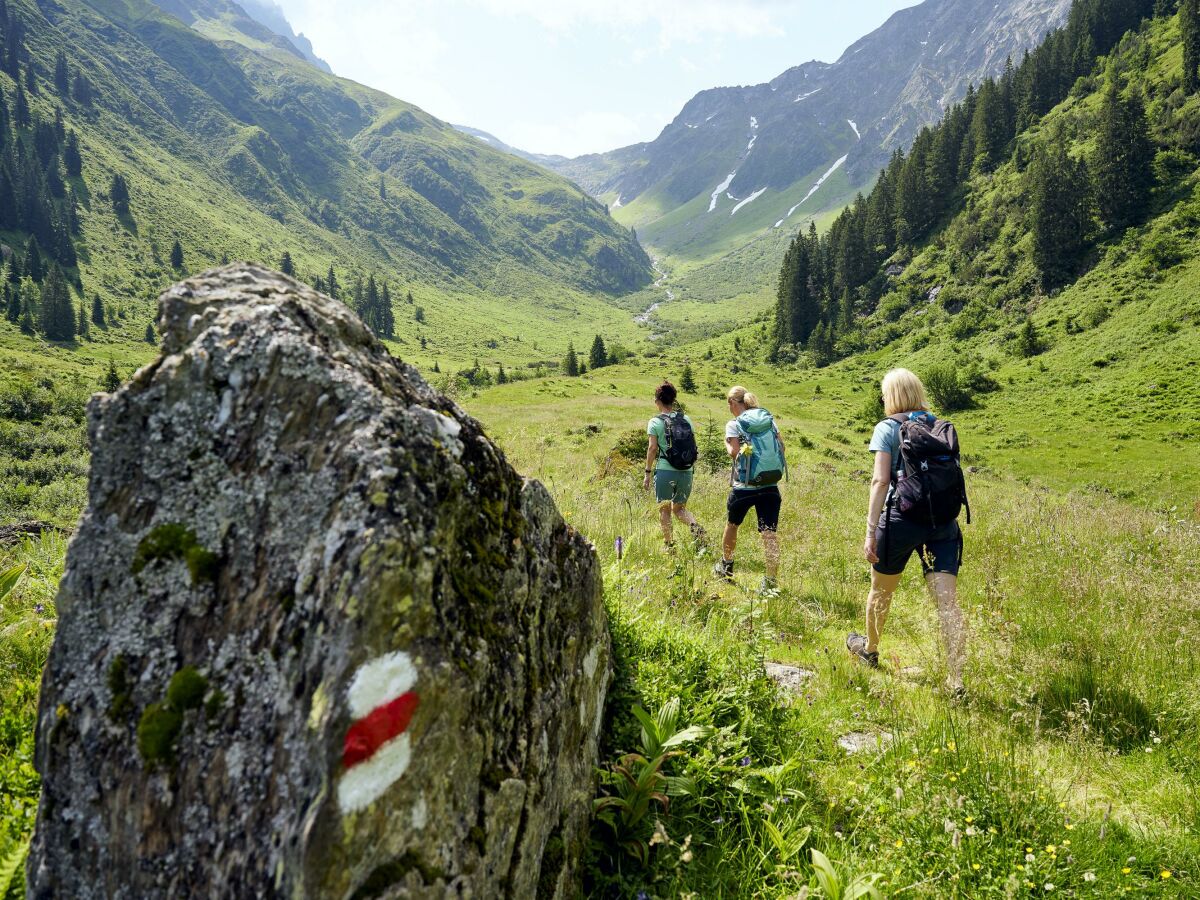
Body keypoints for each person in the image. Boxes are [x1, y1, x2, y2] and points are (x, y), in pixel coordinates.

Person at [847, 367, 967, 697]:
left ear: (892, 396)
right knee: (947, 605)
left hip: (900, 520)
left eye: (885, 394)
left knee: (881, 590)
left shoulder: (887, 428)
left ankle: (869, 650)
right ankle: (956, 678)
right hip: (942, 523)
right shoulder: (939, 426)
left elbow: (880, 481)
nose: (884, 399)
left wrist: (871, 531)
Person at [714, 386, 785, 591]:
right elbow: (782, 447)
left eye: (729, 403)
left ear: (734, 403)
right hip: (770, 485)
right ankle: (771, 581)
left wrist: (726, 444)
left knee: (732, 525)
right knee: (769, 533)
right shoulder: (769, 420)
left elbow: (734, 453)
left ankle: (726, 568)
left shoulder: (734, 424)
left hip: (744, 486)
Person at [643, 380, 704, 550]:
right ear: (673, 399)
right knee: (679, 509)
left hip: (665, 470)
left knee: (664, 509)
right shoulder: (686, 419)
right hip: (686, 470)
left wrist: (647, 472)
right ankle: (695, 527)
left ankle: (669, 545)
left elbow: (652, 448)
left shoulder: (654, 422)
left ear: (658, 401)